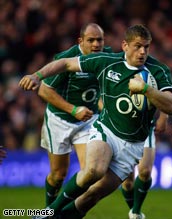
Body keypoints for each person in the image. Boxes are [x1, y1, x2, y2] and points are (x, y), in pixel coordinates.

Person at [19, 24, 172, 219]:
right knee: (92, 171)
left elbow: (171, 106)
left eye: (146, 46)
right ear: (125, 45)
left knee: (92, 196)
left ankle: (60, 216)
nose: (143, 51)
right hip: (105, 131)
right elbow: (66, 63)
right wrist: (37, 75)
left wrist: (146, 90)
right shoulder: (107, 61)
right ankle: (49, 211)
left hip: (133, 145)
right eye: (138, 46)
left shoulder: (158, 70)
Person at [38, 23, 112, 206]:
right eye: (91, 40)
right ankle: (49, 211)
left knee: (90, 172)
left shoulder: (108, 56)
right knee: (58, 175)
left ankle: (64, 212)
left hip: (88, 121)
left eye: (99, 40)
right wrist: (73, 109)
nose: (96, 44)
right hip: (59, 120)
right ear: (81, 41)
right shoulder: (67, 58)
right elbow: (44, 91)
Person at [122, 112, 168, 219]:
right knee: (127, 183)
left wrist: (163, 116)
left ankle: (135, 212)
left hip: (144, 126)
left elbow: (165, 95)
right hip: (120, 128)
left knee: (145, 171)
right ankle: (135, 213)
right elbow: (102, 99)